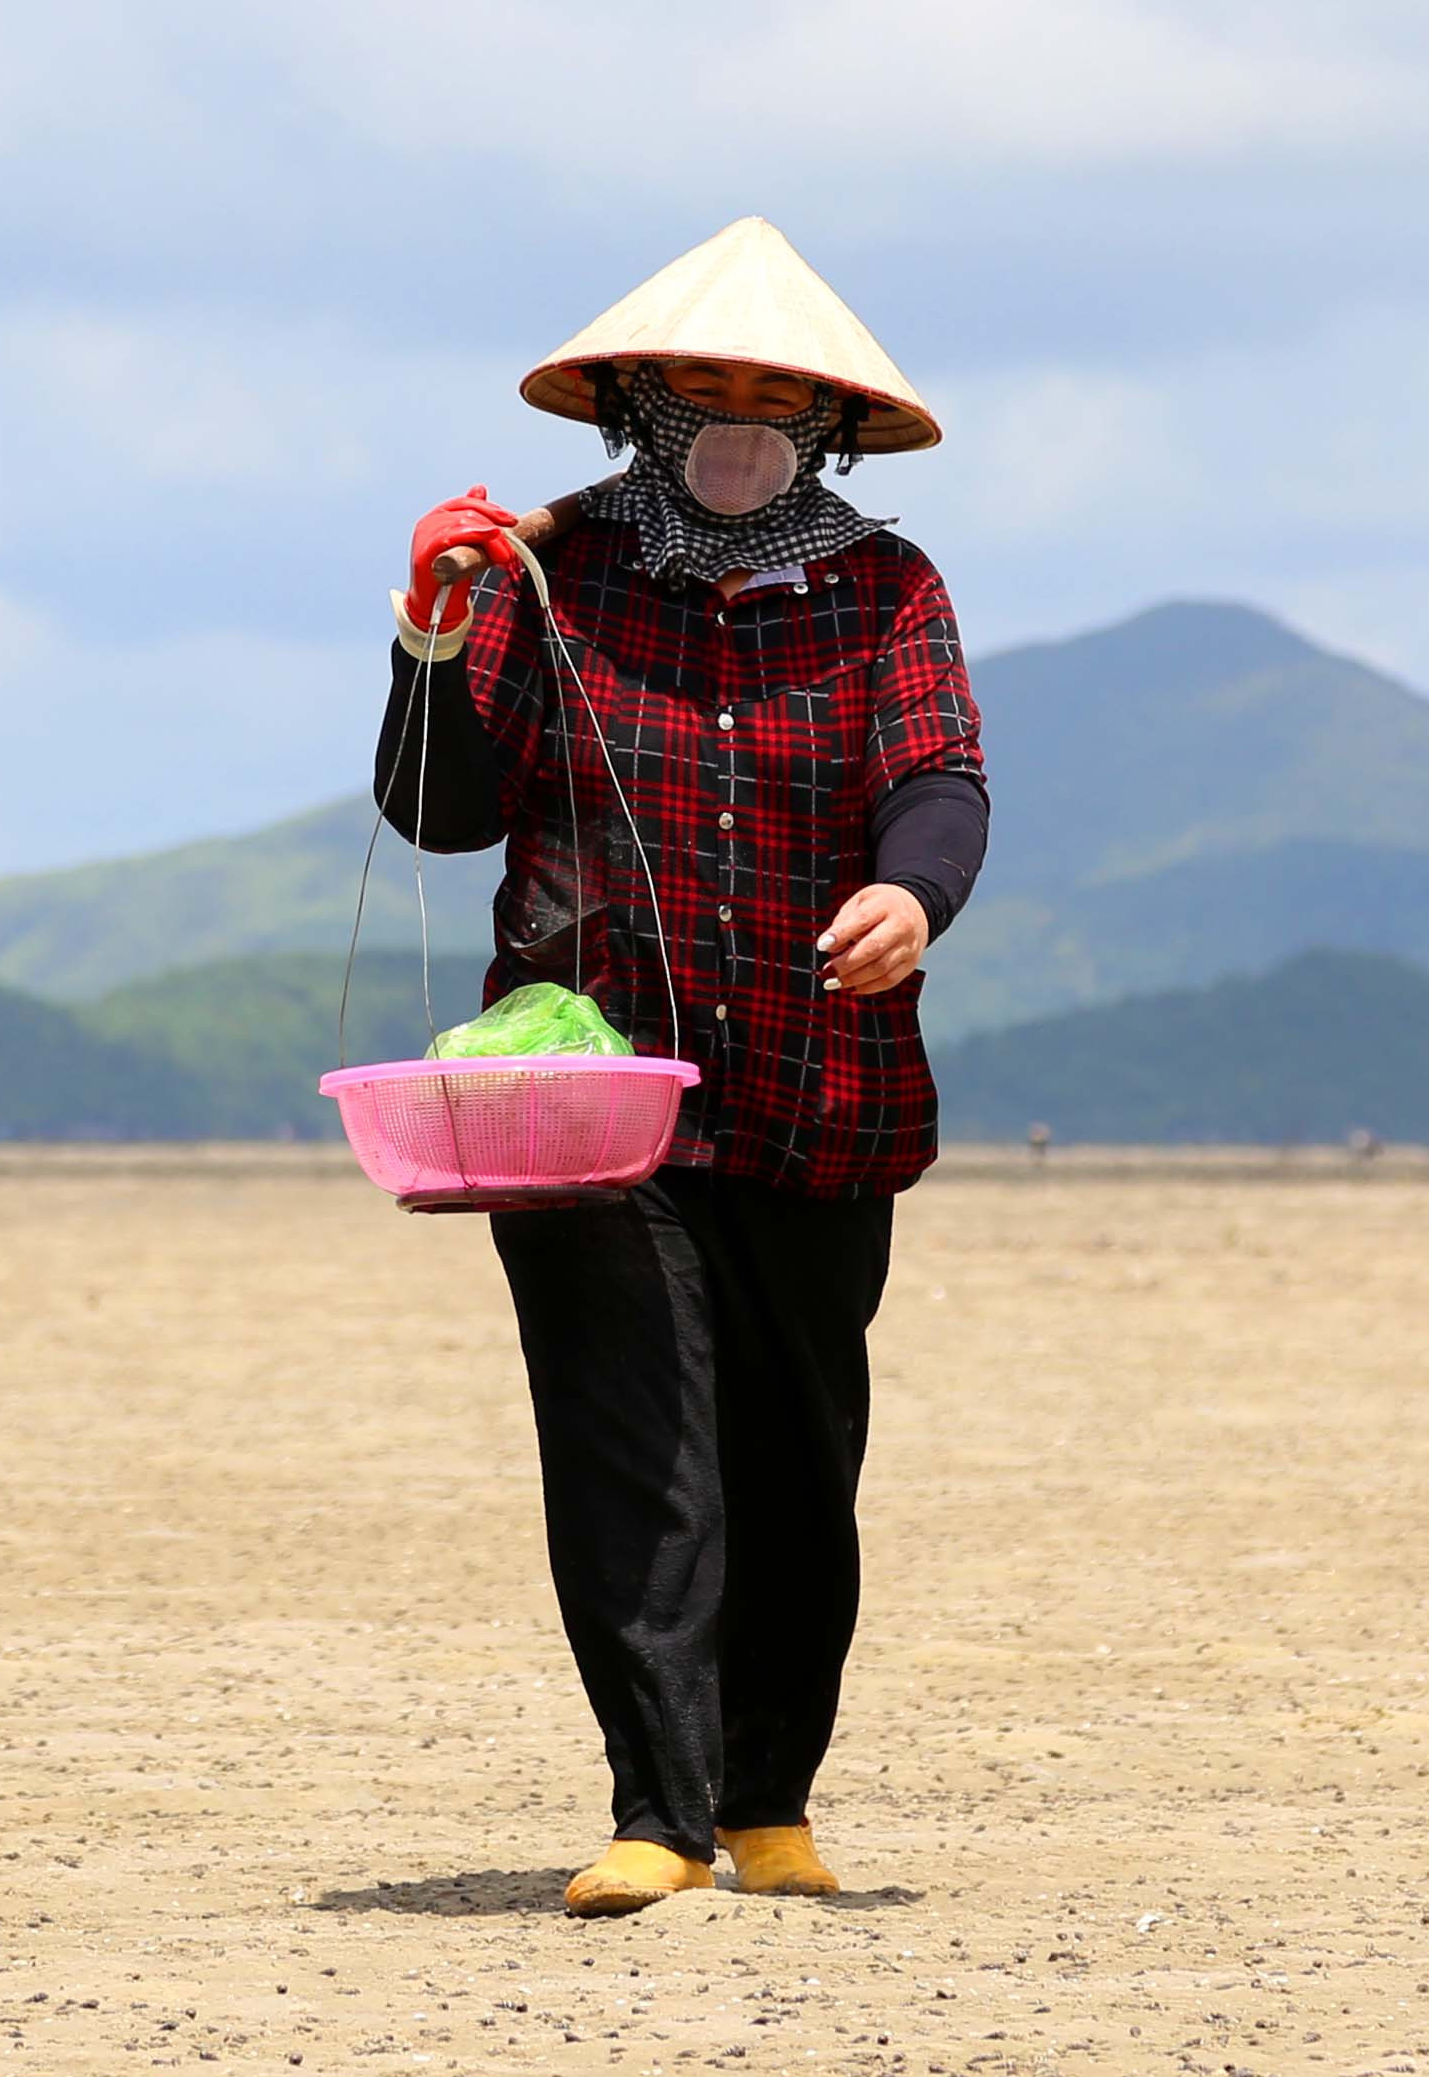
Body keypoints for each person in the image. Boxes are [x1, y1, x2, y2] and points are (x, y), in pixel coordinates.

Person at [373, 218, 990, 1916]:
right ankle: (658, 1804)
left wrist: (909, 891)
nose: (736, 413)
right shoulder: (543, 570)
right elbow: (437, 811)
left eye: (772, 391)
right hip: (583, 1094)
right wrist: (432, 630)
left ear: (829, 421)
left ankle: (769, 1794)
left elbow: (938, 777)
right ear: (635, 400)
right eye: (701, 383)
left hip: (821, 1088)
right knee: (634, 1444)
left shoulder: (887, 588)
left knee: (800, 1458)